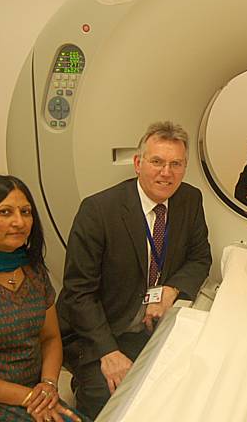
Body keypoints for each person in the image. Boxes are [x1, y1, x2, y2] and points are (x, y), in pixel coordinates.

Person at [57, 121, 212, 419]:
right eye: (157, 162)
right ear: (138, 164)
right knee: (110, 399)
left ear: (185, 167)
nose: (166, 173)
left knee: (185, 389)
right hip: (101, 328)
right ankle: (84, 375)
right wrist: (108, 353)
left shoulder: (189, 200)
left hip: (151, 324)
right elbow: (79, 293)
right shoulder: (99, 211)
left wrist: (170, 290)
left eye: (175, 164)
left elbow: (199, 257)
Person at [0, 175, 85, 422]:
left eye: (25, 212)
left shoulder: (34, 271)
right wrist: (28, 397)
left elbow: (51, 338)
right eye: (5, 212)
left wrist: (48, 384)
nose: (19, 222)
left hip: (33, 393)